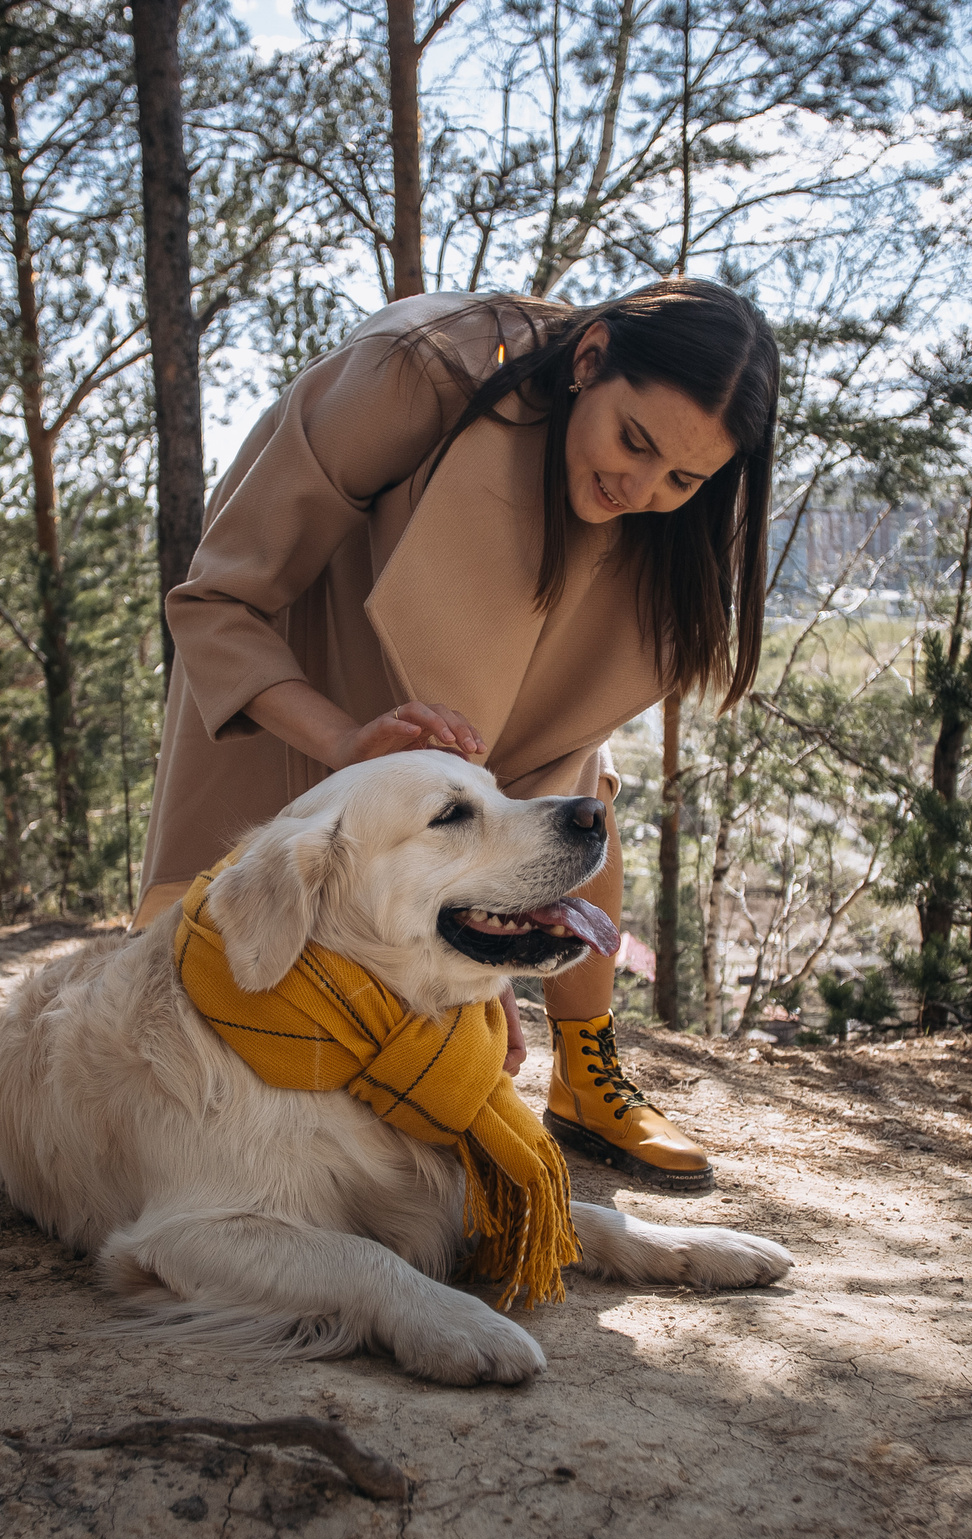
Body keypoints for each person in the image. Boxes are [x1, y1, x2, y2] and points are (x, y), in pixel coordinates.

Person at [137, 278, 779, 1192]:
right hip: (307, 676)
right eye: (632, 441)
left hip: (477, 733)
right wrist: (346, 738)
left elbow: (555, 742)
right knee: (204, 1020)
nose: (640, 487)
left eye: (683, 479)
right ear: (589, 358)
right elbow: (220, 599)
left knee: (578, 803)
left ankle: (585, 1079)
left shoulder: (657, 514)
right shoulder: (420, 370)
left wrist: (495, 956)